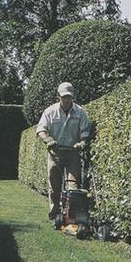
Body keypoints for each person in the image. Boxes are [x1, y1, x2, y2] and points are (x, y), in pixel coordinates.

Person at [36, 82, 91, 220]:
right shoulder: (49, 112)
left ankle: (71, 214)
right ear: (58, 96)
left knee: (73, 185)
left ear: (73, 97)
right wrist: (48, 139)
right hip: (56, 153)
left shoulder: (80, 112)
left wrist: (82, 142)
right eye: (64, 97)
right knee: (54, 186)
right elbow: (41, 129)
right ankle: (54, 213)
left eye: (69, 97)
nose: (67, 100)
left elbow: (84, 131)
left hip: (73, 153)